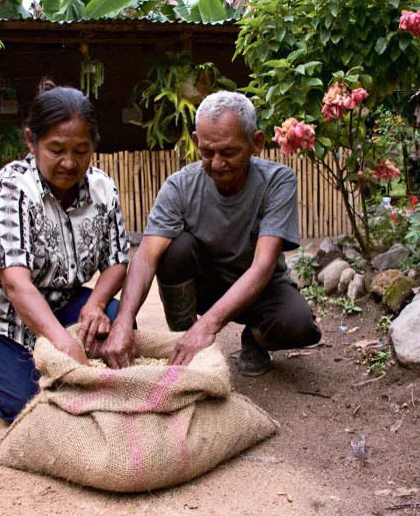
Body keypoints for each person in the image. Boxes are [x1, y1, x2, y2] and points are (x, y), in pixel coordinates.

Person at [0, 81, 130, 421]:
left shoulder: (103, 188)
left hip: (57, 301)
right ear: (31, 141)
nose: (69, 163)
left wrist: (96, 305)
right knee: (27, 402)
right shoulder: (10, 190)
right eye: (56, 150)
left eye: (81, 151)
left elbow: (116, 262)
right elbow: (15, 285)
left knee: (116, 328)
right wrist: (65, 344)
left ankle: (10, 358)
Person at [101, 91, 320, 376]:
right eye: (207, 152)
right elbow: (145, 257)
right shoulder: (179, 187)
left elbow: (264, 266)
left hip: (260, 288)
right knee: (175, 249)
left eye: (229, 152)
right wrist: (123, 321)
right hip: (208, 286)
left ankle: (253, 339)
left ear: (256, 144)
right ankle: (181, 341)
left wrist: (207, 326)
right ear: (196, 142)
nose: (217, 163)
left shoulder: (278, 181)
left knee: (298, 326)